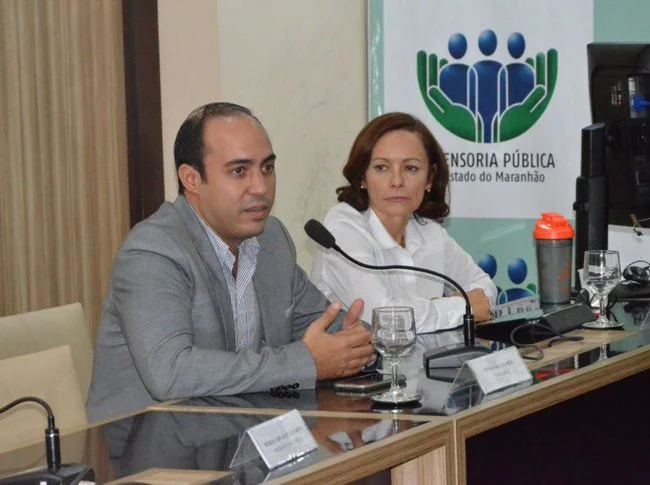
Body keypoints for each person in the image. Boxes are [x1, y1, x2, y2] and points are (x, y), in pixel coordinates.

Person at [86, 102, 374, 422]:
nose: (261, 188)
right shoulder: (153, 251)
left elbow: (323, 324)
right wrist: (306, 362)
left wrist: (356, 345)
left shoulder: (272, 240)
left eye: (267, 168)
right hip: (151, 443)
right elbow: (171, 373)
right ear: (191, 178)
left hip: (240, 432)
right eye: (239, 171)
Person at [310, 112, 497, 333]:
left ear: (429, 179)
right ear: (362, 178)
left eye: (411, 168)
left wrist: (444, 308)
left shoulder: (428, 231)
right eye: (381, 168)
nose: (397, 181)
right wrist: (460, 307)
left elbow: (484, 288)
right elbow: (383, 318)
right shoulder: (342, 229)